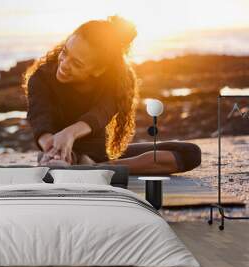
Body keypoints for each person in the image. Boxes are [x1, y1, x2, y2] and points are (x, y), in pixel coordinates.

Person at [22, 15, 201, 175]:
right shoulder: (41, 78)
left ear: (98, 69)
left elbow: (100, 114)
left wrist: (70, 133)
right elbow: (40, 117)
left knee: (190, 153)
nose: (64, 64)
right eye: (65, 52)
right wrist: (52, 147)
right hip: (59, 152)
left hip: (99, 154)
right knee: (57, 164)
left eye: (76, 63)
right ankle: (79, 166)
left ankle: (96, 169)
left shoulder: (116, 82)